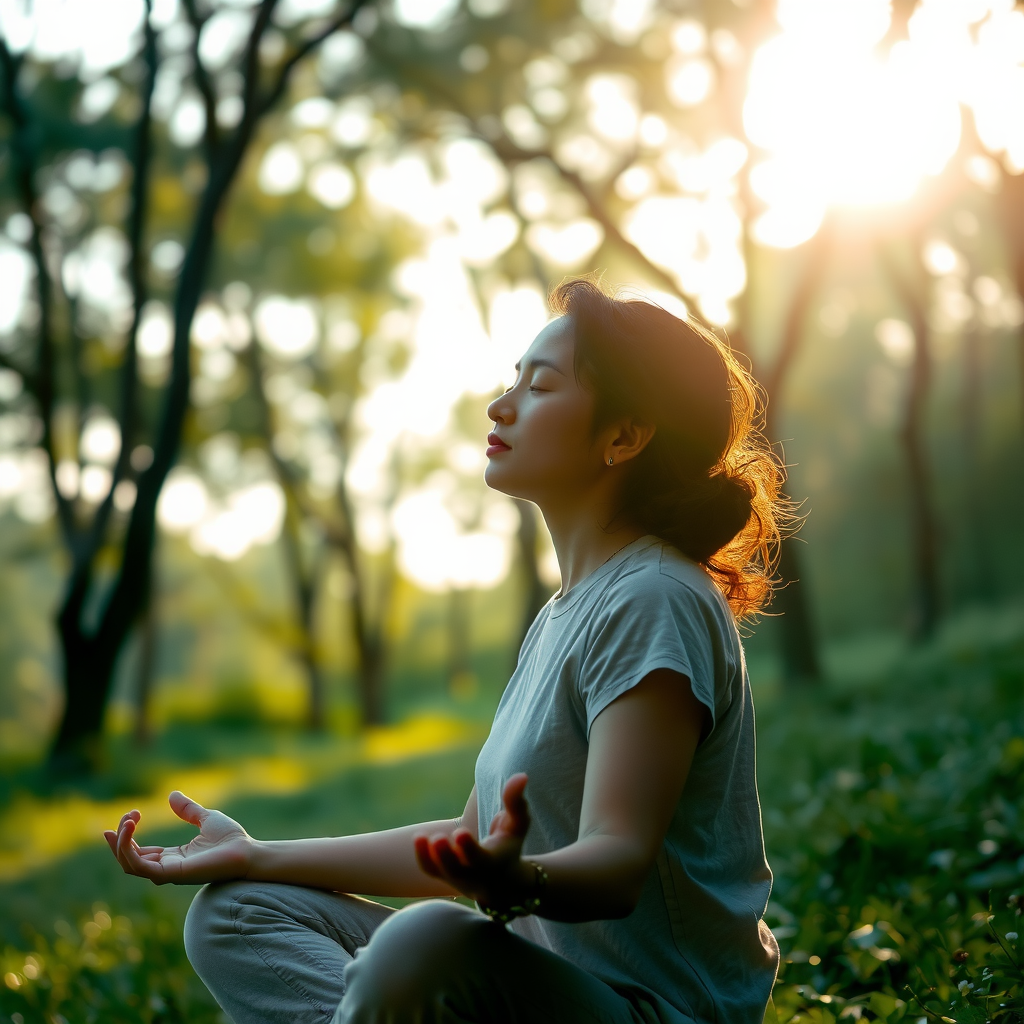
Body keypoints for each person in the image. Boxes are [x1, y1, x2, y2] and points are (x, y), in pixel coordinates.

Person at [104, 277, 786, 1024]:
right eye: (511, 380)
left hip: (653, 1011)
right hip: (537, 988)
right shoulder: (566, 612)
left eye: (541, 385)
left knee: (427, 941)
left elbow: (617, 861)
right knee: (234, 912)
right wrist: (256, 855)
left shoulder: (654, 597)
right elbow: (464, 841)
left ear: (623, 435)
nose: (501, 406)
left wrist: (513, 880)